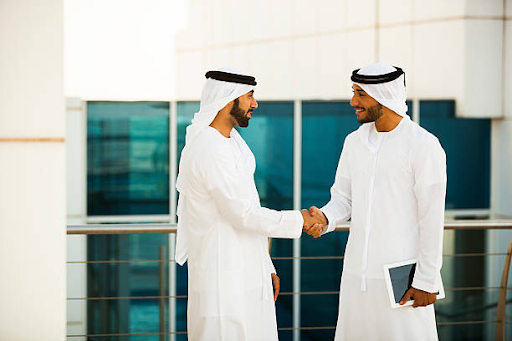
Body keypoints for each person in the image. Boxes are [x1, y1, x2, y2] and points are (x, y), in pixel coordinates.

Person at [304, 62, 447, 340]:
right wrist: (324, 217)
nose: (353, 101)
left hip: (404, 278)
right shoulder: (353, 142)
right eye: (354, 92)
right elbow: (343, 199)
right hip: (357, 276)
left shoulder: (423, 145)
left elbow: (432, 218)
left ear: (383, 96)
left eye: (360, 94)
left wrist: (427, 279)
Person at [175, 68, 317, 340]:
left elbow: (249, 206)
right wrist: (301, 219)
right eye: (249, 96)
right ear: (228, 99)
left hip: (248, 276)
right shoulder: (208, 147)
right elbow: (242, 214)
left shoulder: (233, 144)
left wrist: (267, 266)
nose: (255, 104)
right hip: (223, 281)